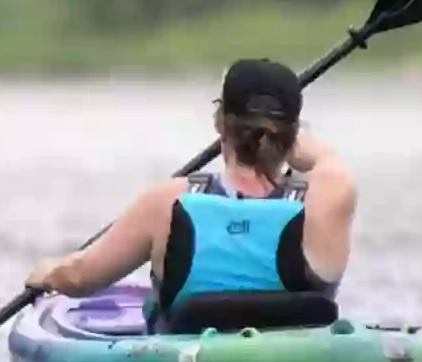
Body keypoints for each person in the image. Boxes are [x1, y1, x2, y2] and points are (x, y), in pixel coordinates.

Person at [26, 59, 359, 333]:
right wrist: (293, 141)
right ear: (294, 133)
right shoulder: (327, 198)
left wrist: (48, 272)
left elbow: (81, 277)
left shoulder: (168, 202)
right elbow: (326, 161)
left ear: (219, 122)